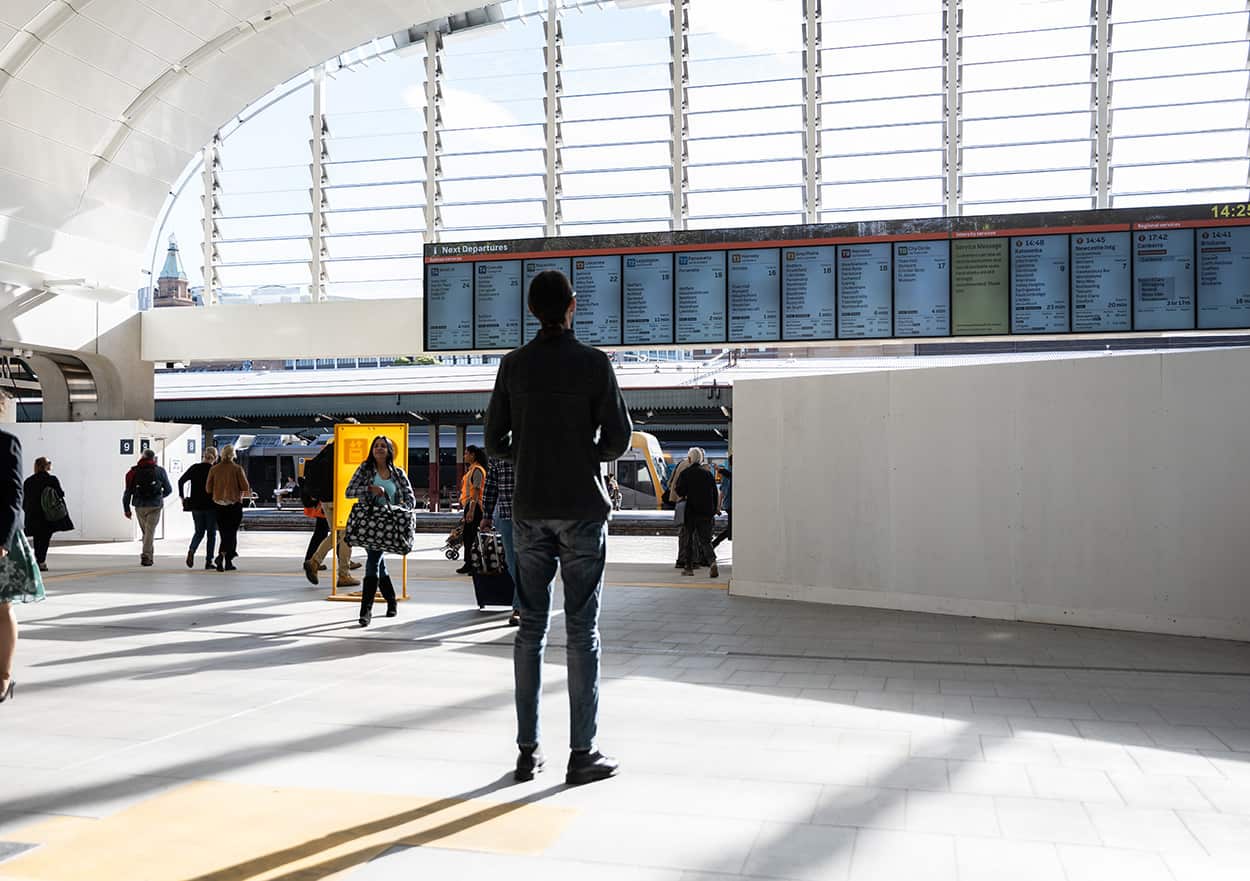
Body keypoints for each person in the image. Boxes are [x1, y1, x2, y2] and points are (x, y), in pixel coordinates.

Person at [485, 268, 632, 786]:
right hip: (583, 509)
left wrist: (530, 452)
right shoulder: (594, 364)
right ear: (572, 306)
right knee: (582, 631)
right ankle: (582, 753)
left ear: (531, 310)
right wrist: (584, 453)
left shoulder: (513, 366)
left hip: (529, 509)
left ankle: (527, 753)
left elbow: (494, 441)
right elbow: (619, 437)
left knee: (530, 628)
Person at [345, 436, 416, 627]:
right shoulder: (365, 469)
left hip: (389, 525)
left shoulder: (398, 474)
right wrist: (370, 489)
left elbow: (411, 500)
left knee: (376, 562)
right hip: (369, 524)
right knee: (375, 562)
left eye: (383, 446)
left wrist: (398, 508)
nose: (379, 448)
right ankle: (367, 610)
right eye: (376, 446)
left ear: (389, 450)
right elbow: (349, 492)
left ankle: (387, 602)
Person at [1, 430, 41, 704]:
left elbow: (14, 496)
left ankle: (3, 676)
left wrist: (3, 541)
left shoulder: (6, 442)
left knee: (1, 607)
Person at [301, 441, 359, 587]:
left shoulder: (326, 450)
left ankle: (315, 562)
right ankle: (343, 574)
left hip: (326, 500)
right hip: (340, 497)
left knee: (337, 533)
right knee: (345, 535)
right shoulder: (347, 448)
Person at [481, 454, 519, 625]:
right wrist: (487, 515)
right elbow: (491, 484)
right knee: (513, 563)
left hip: (536, 516)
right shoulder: (499, 450)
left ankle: (521, 607)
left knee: (536, 564)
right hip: (507, 514)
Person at [122, 449, 173, 567]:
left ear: (142, 457)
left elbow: (127, 492)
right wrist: (160, 496)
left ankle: (148, 557)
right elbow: (169, 489)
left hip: (139, 505)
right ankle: (146, 555)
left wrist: (126, 509)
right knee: (149, 532)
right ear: (153, 458)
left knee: (147, 532)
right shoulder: (160, 471)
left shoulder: (133, 472)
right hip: (155, 505)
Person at [22, 457, 73, 572]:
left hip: (33, 514)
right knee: (44, 538)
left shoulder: (29, 481)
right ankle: (41, 562)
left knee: (37, 538)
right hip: (48, 514)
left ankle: (37, 560)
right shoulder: (52, 479)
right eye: (49, 463)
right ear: (45, 466)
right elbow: (60, 493)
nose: (50, 464)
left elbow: (25, 498)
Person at [205, 444, 250, 572]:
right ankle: (224, 557)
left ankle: (225, 559)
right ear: (233, 454)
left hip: (219, 505)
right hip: (234, 505)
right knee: (231, 533)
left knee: (224, 533)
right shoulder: (237, 469)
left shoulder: (214, 469)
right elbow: (245, 487)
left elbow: (208, 489)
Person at [676, 452, 720, 579]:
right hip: (706, 512)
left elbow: (680, 490)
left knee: (689, 539)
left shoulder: (686, 473)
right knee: (705, 541)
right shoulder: (708, 474)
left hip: (691, 511)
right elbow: (714, 493)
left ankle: (689, 568)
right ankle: (712, 562)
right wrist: (714, 509)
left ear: (690, 459)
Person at [178, 446, 218, 570]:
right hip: (211, 506)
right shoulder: (214, 470)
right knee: (211, 534)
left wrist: (182, 497)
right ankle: (209, 561)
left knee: (199, 532)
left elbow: (181, 481)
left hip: (196, 506)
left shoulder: (194, 468)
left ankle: (192, 550)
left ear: (203, 456)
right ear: (215, 458)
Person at [672, 447, 711, 570]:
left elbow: (677, 487)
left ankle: (684, 562)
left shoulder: (683, 467)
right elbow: (712, 492)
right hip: (696, 507)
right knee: (699, 536)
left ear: (690, 458)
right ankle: (697, 561)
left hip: (685, 506)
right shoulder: (704, 472)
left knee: (685, 535)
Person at [456, 445, 488, 575]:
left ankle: (474, 565)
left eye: (466, 453)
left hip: (475, 507)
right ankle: (468, 563)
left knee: (473, 537)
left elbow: (476, 490)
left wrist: (471, 510)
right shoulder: (472, 470)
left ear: (473, 455)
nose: (464, 456)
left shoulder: (477, 470)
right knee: (468, 536)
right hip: (470, 506)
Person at [712, 456, 732, 549]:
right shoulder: (731, 474)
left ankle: (714, 544)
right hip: (731, 505)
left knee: (731, 528)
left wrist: (719, 507)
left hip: (728, 505)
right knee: (731, 529)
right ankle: (714, 544)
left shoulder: (727, 474)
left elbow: (722, 492)